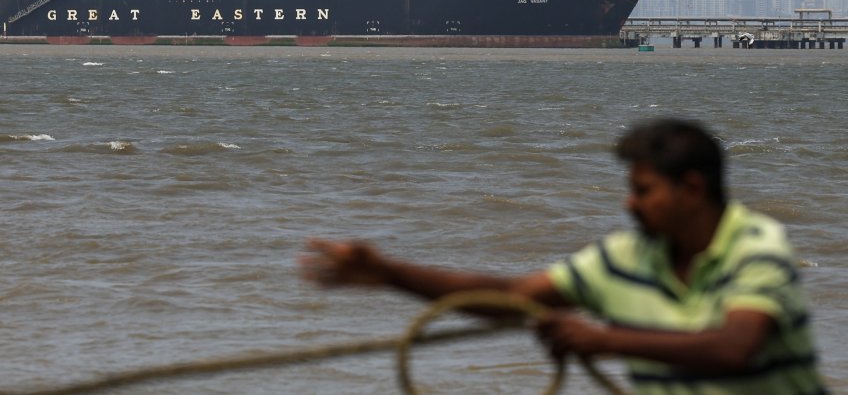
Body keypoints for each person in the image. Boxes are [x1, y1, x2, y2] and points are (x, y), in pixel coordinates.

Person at [301, 118, 825, 393]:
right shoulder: (623, 259)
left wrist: (605, 340)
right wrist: (389, 272)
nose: (629, 203)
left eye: (643, 191)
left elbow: (737, 347)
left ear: (691, 189)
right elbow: (510, 300)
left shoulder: (759, 247)